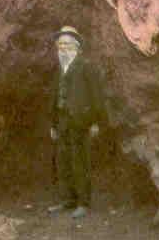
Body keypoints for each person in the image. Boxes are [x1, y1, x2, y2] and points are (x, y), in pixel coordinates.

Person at [47, 26, 106, 219]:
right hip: (62, 121)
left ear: (77, 47)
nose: (62, 49)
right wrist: (53, 125)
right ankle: (68, 200)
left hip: (81, 121)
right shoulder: (59, 70)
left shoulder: (87, 67)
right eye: (60, 45)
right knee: (63, 162)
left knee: (80, 162)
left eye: (67, 44)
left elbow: (97, 97)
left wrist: (96, 122)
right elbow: (54, 98)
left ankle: (83, 203)